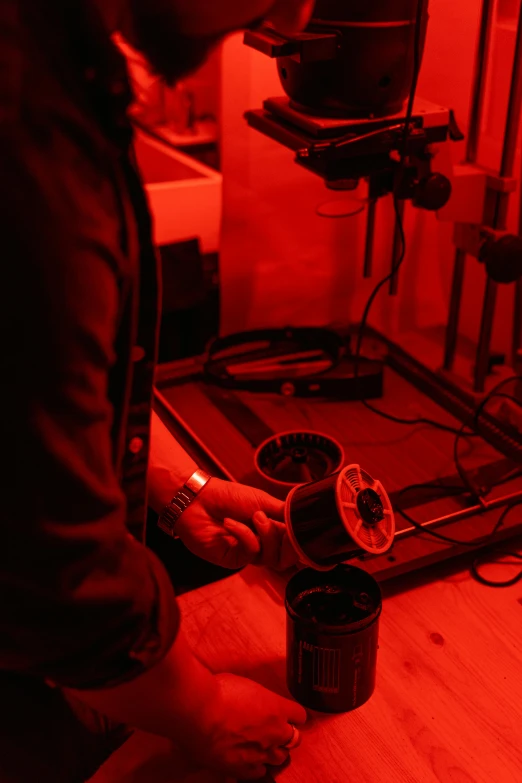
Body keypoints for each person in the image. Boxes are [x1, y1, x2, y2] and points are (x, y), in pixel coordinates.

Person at [0, 1, 315, 781]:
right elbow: (48, 551)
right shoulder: (26, 122)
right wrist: (199, 708)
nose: (297, 13)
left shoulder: (59, 64)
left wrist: (174, 489)